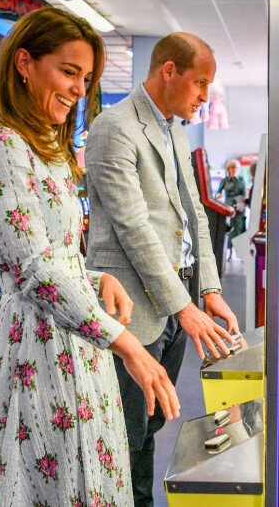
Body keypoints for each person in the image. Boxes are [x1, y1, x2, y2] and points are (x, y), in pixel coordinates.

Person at [0, 7, 180, 507]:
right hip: (38, 347)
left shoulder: (44, 146)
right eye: (70, 71)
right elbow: (32, 269)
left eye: (87, 77)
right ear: (24, 63)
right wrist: (127, 343)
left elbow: (53, 252)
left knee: (88, 480)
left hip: (76, 338)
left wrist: (96, 275)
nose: (80, 89)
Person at [84, 32, 240, 506]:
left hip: (171, 310)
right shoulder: (115, 127)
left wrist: (208, 288)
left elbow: (192, 212)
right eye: (199, 83)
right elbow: (134, 229)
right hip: (130, 308)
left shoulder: (174, 128)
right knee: (122, 437)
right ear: (168, 70)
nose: (202, 97)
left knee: (149, 429)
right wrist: (184, 305)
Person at [216, 159, 247, 260]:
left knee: (239, 229)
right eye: (232, 167)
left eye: (235, 168)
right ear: (228, 169)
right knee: (229, 230)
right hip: (228, 207)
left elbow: (244, 194)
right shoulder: (224, 180)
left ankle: (241, 253)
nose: (234, 170)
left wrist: (241, 205)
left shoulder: (242, 180)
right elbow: (218, 192)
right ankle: (229, 253)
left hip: (239, 206)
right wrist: (218, 195)